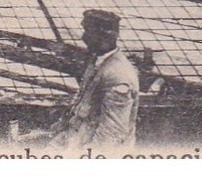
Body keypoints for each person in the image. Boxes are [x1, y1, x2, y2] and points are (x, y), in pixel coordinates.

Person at [49, 9, 140, 149]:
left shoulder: (118, 75)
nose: (83, 38)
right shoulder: (96, 60)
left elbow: (111, 134)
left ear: (102, 37)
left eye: (88, 32)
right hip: (76, 137)